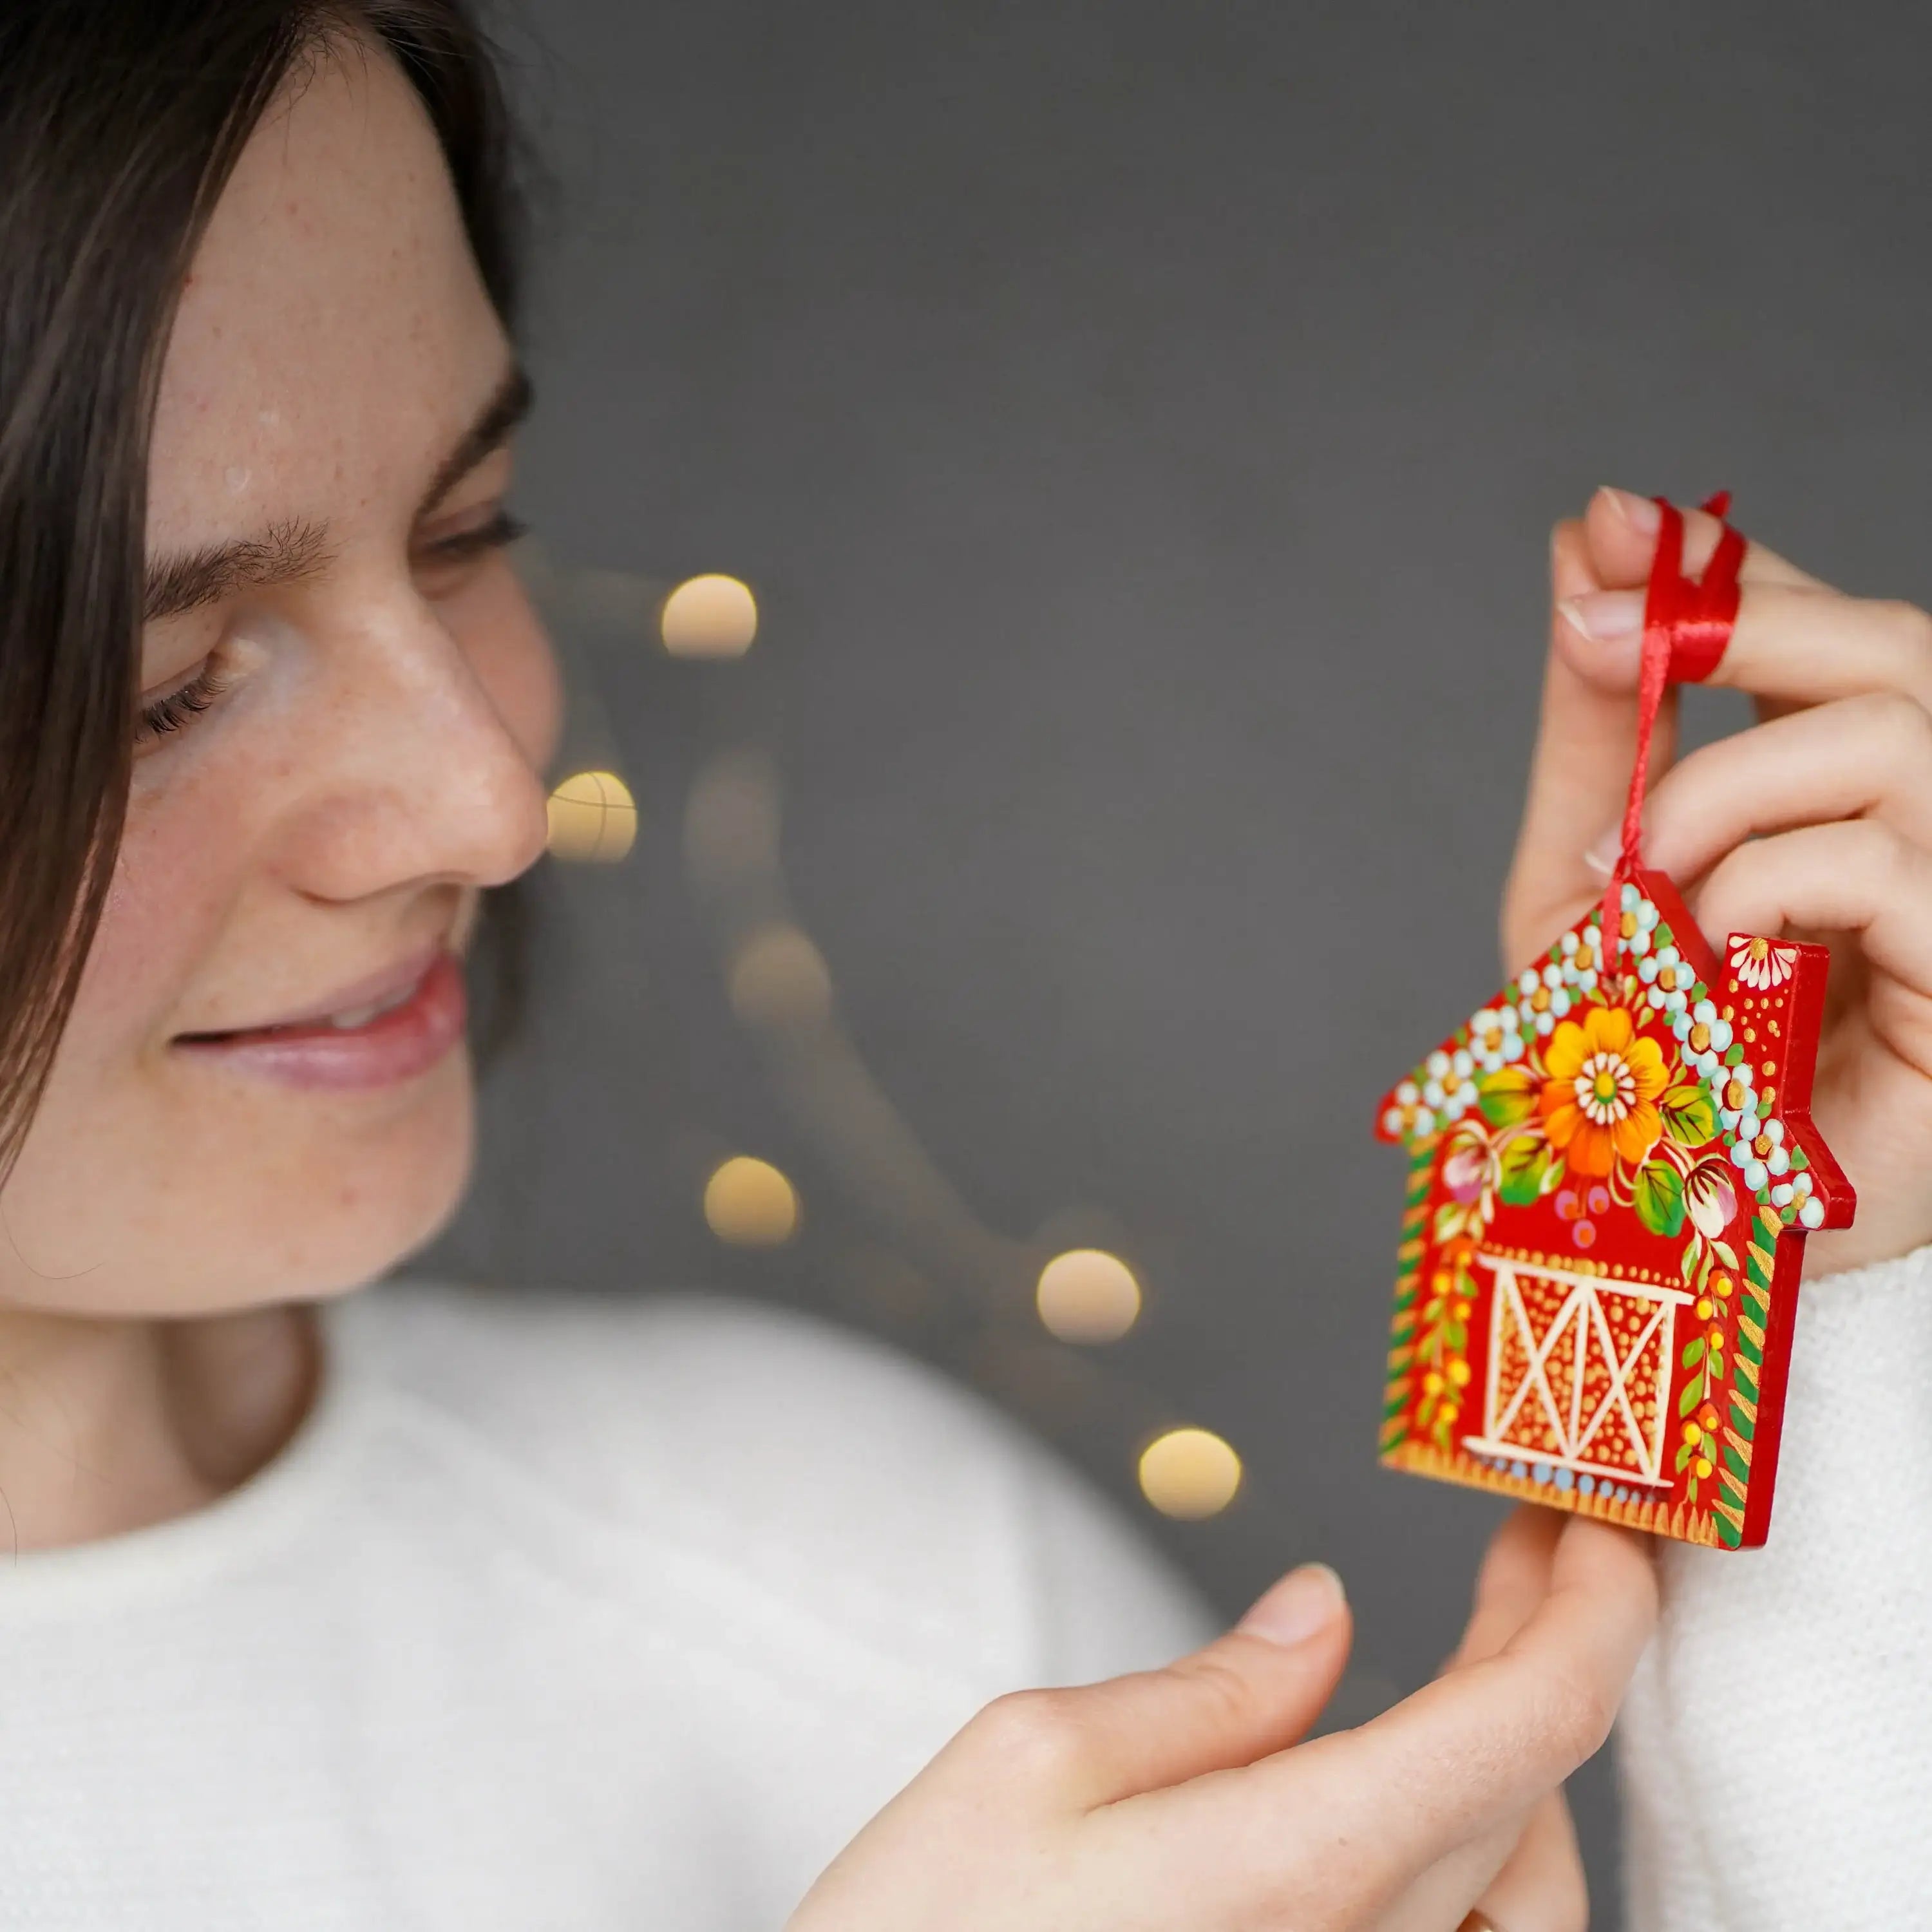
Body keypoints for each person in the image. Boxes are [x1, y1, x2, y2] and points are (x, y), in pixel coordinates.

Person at [0, 5, 1921, 1929]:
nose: (491, 803)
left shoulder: (866, 1585)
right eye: (156, 690)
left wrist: (1846, 1356)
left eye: (460, 535)